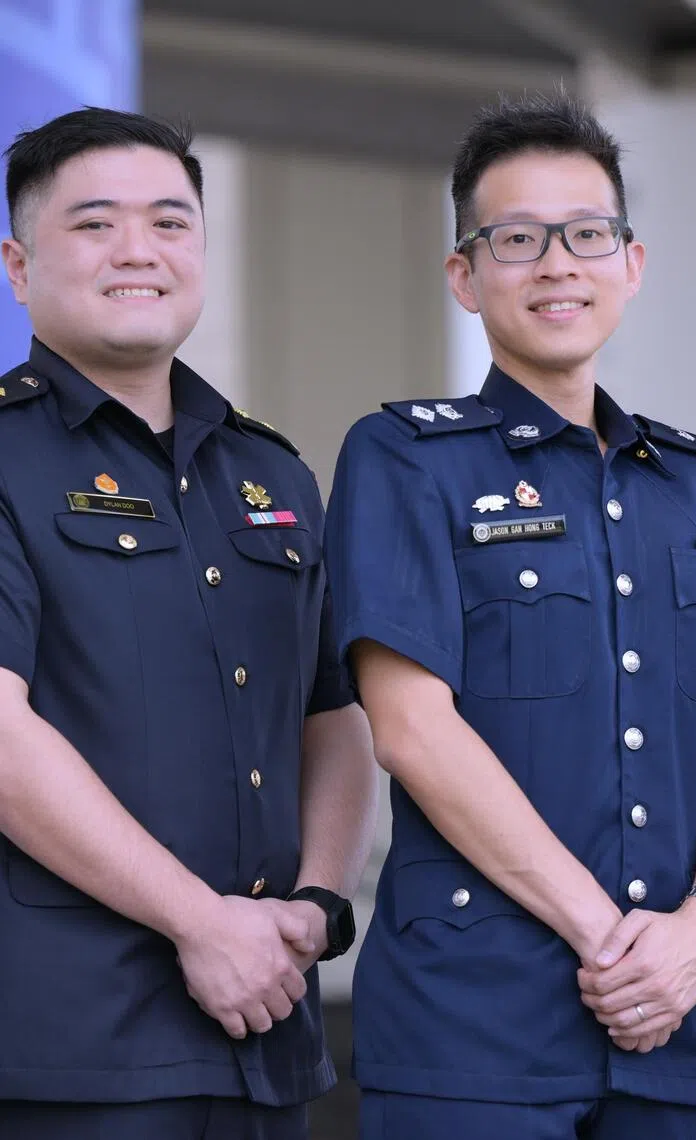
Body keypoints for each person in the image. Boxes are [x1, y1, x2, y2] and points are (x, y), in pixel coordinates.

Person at [324, 91, 696, 1140]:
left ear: (631, 264)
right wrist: (611, 940)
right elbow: (411, 729)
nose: (559, 264)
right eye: (518, 239)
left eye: (588, 235)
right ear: (464, 275)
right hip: (472, 1028)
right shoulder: (405, 458)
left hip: (674, 1026)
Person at [0, 108, 378, 1139]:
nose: (139, 251)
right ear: (18, 265)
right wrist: (200, 923)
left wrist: (314, 906)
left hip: (264, 1032)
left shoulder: (273, 473)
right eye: (95, 225)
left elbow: (333, 713)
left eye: (171, 222)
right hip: (72, 1050)